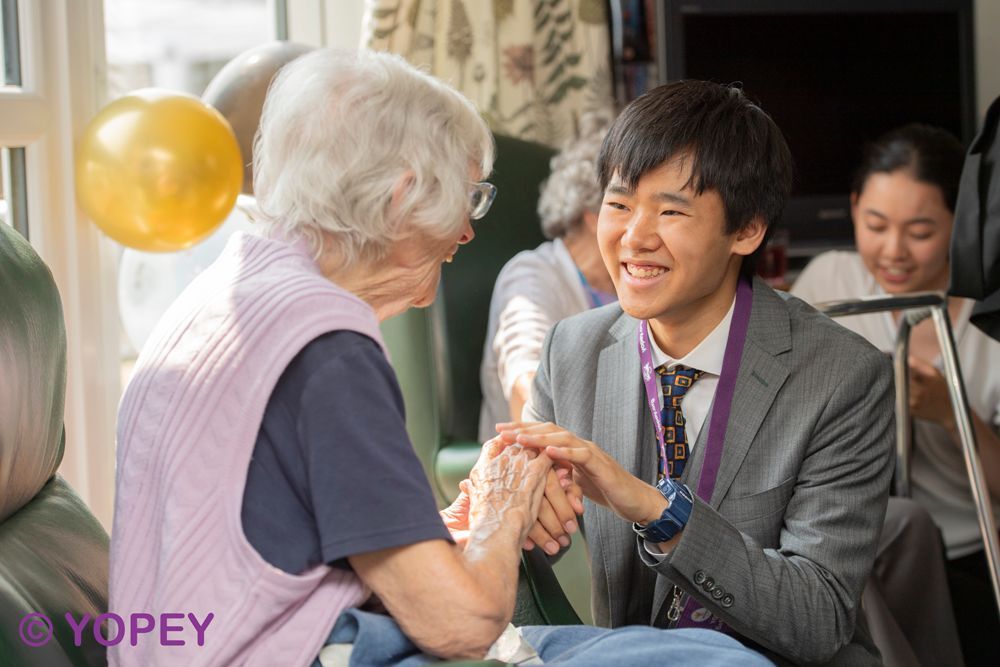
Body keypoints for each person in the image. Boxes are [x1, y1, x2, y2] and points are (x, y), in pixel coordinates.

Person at [108, 50, 772, 666]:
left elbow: (292, 544)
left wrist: (461, 524)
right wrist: (503, 506)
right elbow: (462, 621)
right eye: (470, 195)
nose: (467, 231)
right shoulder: (325, 349)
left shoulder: (228, 291)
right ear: (402, 197)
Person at [498, 80, 896, 665]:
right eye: (619, 203)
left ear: (747, 229)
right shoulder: (572, 349)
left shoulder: (843, 376)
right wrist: (518, 509)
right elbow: (534, 547)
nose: (634, 236)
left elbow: (819, 616)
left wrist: (659, 512)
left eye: (671, 210)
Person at [792, 123, 1000, 666]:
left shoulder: (987, 327)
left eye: (921, 231)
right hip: (857, 543)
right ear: (855, 206)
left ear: (963, 221)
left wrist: (949, 414)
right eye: (875, 224)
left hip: (966, 554)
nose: (892, 251)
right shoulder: (829, 284)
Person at [480, 111, 616, 442]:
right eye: (627, 205)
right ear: (593, 213)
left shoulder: (631, 285)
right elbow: (526, 384)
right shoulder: (532, 275)